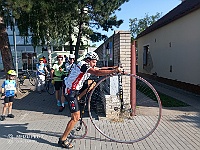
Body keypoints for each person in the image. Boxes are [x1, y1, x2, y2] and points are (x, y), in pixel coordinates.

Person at [58, 51, 122, 148]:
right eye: (94, 61)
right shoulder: (83, 65)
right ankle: (62, 139)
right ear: (88, 60)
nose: (95, 63)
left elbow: (100, 69)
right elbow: (97, 72)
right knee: (75, 117)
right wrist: (113, 71)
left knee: (92, 83)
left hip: (75, 90)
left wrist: (114, 68)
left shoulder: (87, 65)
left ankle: (78, 98)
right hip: (70, 91)